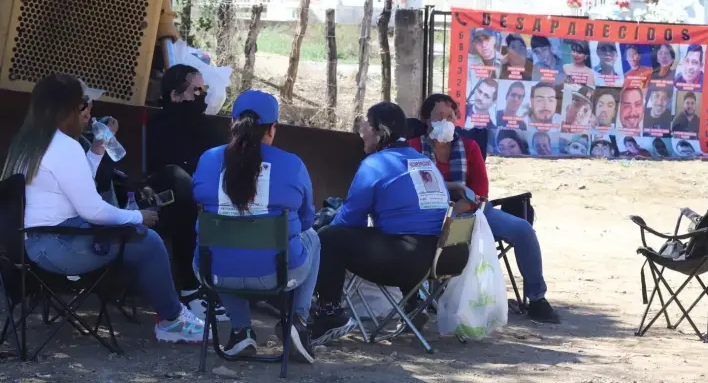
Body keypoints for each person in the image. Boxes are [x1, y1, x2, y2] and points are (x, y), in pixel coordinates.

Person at [2, 74, 205, 343]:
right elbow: (92, 211)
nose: (90, 110)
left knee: (134, 238)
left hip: (29, 246)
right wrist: (138, 217)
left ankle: (170, 314)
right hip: (58, 246)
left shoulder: (29, 142)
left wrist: (96, 151)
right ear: (69, 108)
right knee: (148, 241)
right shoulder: (65, 146)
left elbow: (71, 185)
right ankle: (172, 319)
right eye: (85, 103)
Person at [410, 94, 560, 324]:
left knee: (522, 230)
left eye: (450, 116)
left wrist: (464, 205)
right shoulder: (413, 147)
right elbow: (413, 187)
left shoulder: (469, 147)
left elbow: (481, 189)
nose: (445, 121)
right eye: (439, 116)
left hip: (474, 209)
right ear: (426, 119)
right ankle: (423, 298)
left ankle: (537, 299)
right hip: (430, 213)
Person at [192, 91, 317, 362]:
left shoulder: (207, 160)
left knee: (218, 247)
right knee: (313, 238)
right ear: (272, 129)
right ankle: (297, 323)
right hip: (278, 273)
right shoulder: (293, 164)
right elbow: (307, 220)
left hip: (214, 271)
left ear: (232, 124)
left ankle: (240, 330)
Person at [313, 102, 451, 345]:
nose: (360, 130)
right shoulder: (424, 162)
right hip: (434, 260)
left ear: (379, 130)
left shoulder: (376, 164)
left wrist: (324, 220)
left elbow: (349, 220)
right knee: (393, 230)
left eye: (365, 123)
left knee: (328, 237)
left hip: (402, 261)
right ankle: (412, 304)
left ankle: (329, 313)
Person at [146, 64, 227, 320]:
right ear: (175, 95)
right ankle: (191, 289)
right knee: (181, 189)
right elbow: (160, 170)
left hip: (212, 199)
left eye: (203, 90)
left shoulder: (205, 127)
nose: (201, 96)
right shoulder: (160, 127)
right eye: (196, 90)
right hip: (171, 202)